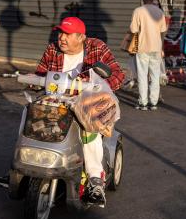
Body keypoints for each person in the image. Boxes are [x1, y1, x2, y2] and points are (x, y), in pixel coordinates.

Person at [35, 16, 125, 207]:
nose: (62, 38)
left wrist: (100, 86)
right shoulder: (52, 50)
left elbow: (118, 74)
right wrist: (33, 80)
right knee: (30, 112)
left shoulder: (96, 48)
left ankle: (95, 180)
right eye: (61, 33)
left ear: (81, 37)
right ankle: (20, 165)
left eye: (67, 34)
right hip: (56, 101)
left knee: (89, 126)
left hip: (86, 103)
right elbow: (40, 73)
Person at [130, 0, 168, 111]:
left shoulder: (138, 11)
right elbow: (163, 31)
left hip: (142, 47)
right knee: (155, 75)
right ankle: (153, 102)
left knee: (142, 75)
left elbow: (133, 30)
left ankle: (143, 103)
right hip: (156, 47)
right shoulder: (159, 12)